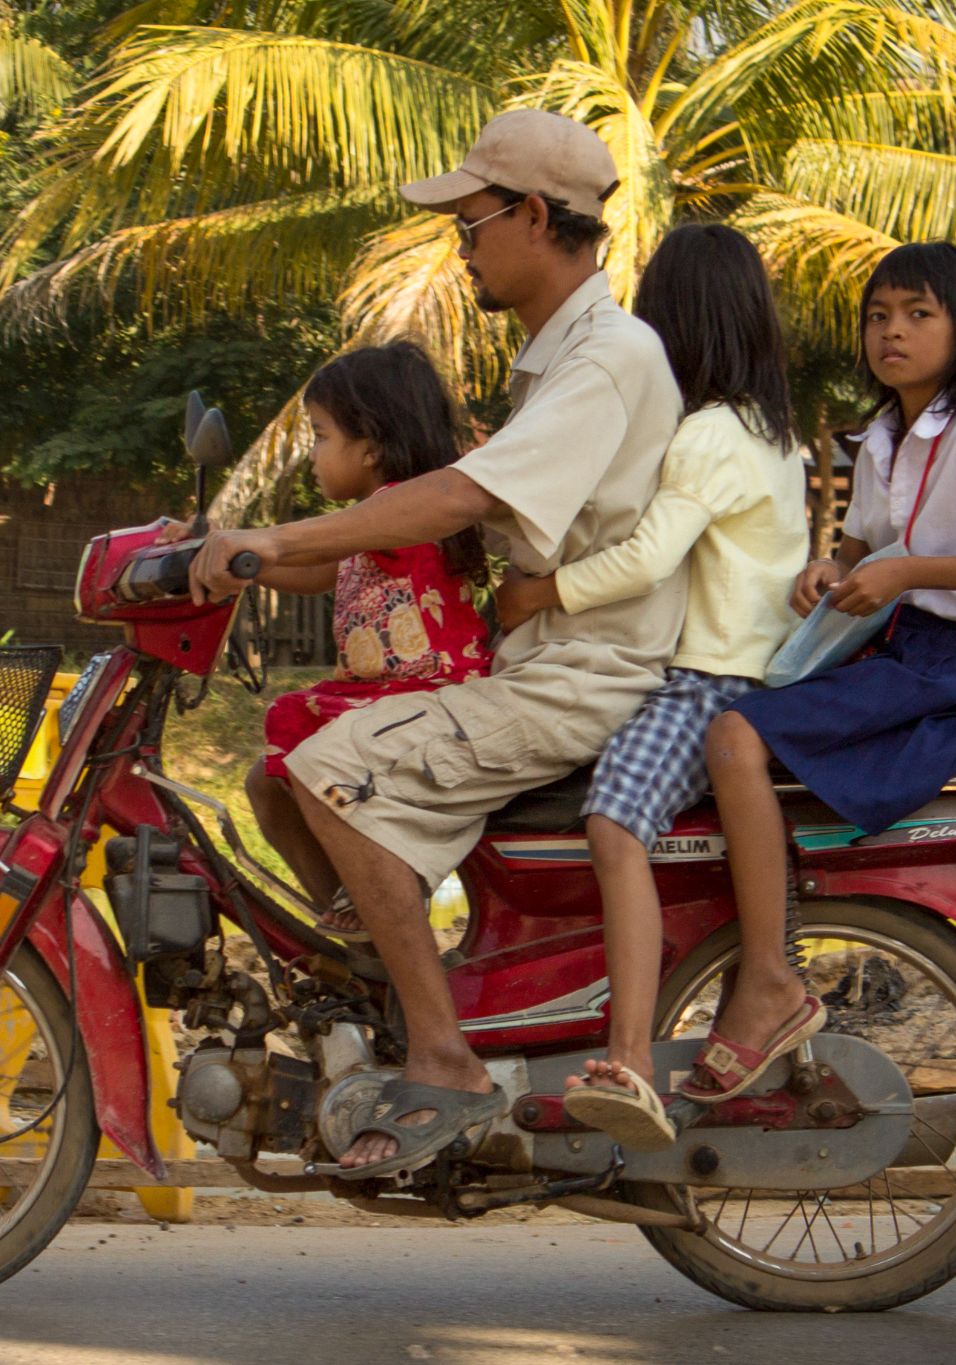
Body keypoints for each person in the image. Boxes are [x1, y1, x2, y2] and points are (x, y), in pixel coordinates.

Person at [190, 109, 685, 1178]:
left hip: (574, 677)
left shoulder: (602, 359)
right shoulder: (550, 364)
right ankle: (382, 971)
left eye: (471, 224)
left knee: (326, 766)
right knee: (292, 759)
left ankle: (441, 1056)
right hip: (539, 661)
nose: (460, 248)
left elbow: (452, 499)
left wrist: (267, 536)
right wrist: (248, 556)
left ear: (536, 217)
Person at [694, 240, 956, 1104]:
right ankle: (766, 952)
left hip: (949, 670)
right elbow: (859, 549)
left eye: (917, 314)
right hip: (891, 648)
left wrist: (909, 571)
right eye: (877, 316)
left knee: (733, 737)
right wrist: (829, 570)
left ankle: (769, 977)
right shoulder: (883, 439)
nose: (891, 332)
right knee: (720, 728)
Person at [490, 223, 807, 1148]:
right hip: (746, 673)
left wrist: (536, 592)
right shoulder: (773, 436)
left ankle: (628, 1054)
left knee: (614, 820)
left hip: (705, 681)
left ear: (680, 322)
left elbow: (644, 557)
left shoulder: (707, 434)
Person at [242, 343, 492, 935]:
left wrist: (254, 540)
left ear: (372, 445)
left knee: (302, 763)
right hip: (386, 696)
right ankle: (354, 913)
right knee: (266, 782)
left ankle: (371, 908)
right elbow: (310, 572)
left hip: (420, 697)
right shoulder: (375, 521)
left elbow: (312, 548)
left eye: (321, 436)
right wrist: (236, 559)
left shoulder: (397, 511)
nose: (312, 454)